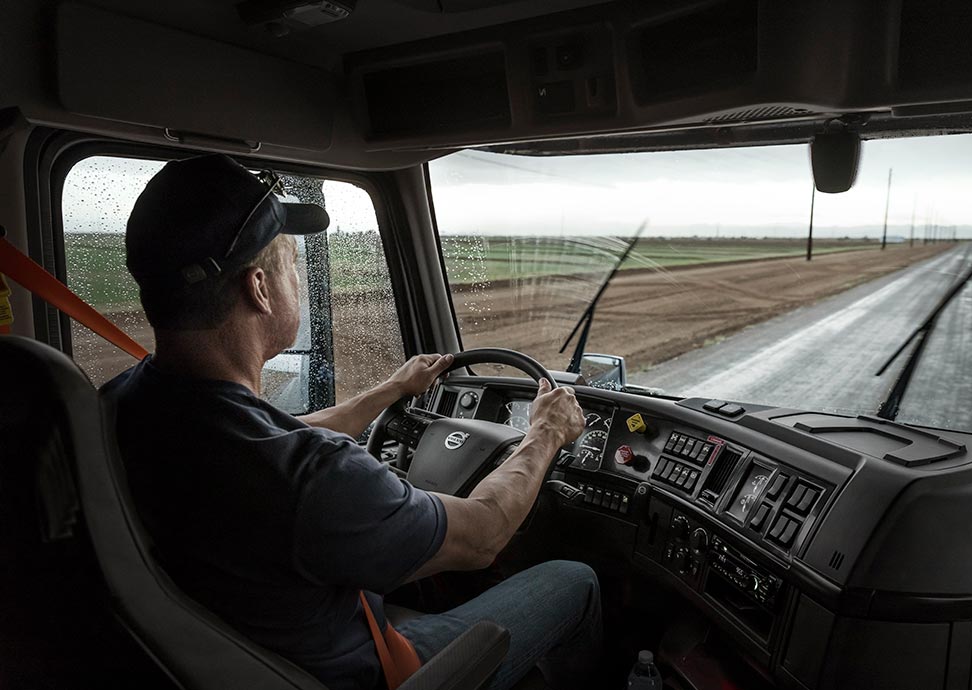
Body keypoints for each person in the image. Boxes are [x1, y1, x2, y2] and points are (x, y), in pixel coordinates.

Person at [102, 154, 602, 690]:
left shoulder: (127, 404)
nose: (298, 277)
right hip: (364, 672)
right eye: (293, 264)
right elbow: (483, 536)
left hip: (238, 657)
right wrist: (546, 432)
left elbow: (286, 437)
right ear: (260, 289)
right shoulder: (315, 480)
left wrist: (391, 390)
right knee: (575, 580)